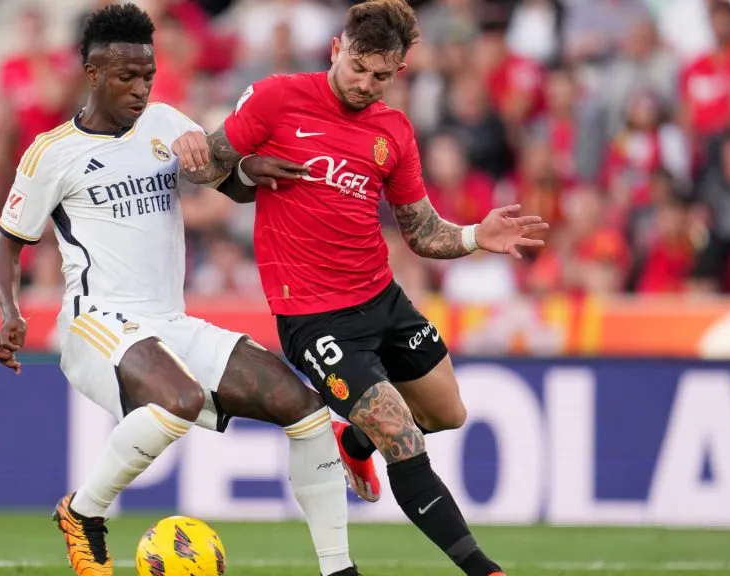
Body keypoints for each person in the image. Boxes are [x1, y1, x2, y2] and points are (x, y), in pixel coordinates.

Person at [172, 1, 549, 575]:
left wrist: (476, 234)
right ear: (336, 50)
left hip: (382, 299)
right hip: (316, 320)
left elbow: (421, 232)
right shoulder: (276, 98)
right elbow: (209, 167)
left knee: (448, 414)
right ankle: (484, 569)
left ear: (398, 72)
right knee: (403, 437)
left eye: (381, 76)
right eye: (358, 68)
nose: (366, 84)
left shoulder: (393, 131)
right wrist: (208, 155)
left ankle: (353, 443)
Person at [0, 5, 357, 576]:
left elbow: (225, 181)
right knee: (177, 400)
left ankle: (339, 569)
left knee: (305, 409)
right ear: (92, 74)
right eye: (126, 77)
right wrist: (10, 311)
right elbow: (6, 244)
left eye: (148, 76)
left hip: (170, 321)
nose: (141, 89)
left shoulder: (164, 123)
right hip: (96, 321)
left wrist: (248, 171)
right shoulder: (51, 153)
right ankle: (83, 513)